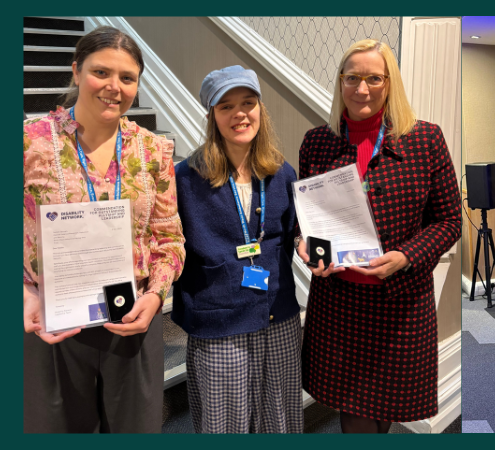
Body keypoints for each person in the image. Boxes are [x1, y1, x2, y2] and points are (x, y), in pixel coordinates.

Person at [22, 26, 185, 433]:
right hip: (52, 325)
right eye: (101, 72)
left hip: (130, 319)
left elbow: (170, 238)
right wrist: (21, 290)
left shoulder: (153, 151)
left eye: (127, 78)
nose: (114, 87)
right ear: (76, 71)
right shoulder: (29, 143)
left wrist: (155, 296)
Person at [297, 39, 461, 433]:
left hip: (399, 302)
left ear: (390, 83)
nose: (362, 88)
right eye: (352, 78)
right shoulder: (317, 142)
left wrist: (405, 255)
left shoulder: (425, 139)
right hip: (339, 303)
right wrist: (305, 244)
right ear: (340, 82)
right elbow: (309, 217)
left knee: (385, 408)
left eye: (374, 78)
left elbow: (450, 221)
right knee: (353, 412)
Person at [172, 66, 302, 434]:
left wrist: (305, 241)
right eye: (226, 106)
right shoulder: (184, 179)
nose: (240, 114)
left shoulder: (281, 172)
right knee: (224, 426)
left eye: (248, 103)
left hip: (278, 317)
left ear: (261, 108)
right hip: (219, 323)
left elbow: (295, 230)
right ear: (212, 114)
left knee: (282, 424)